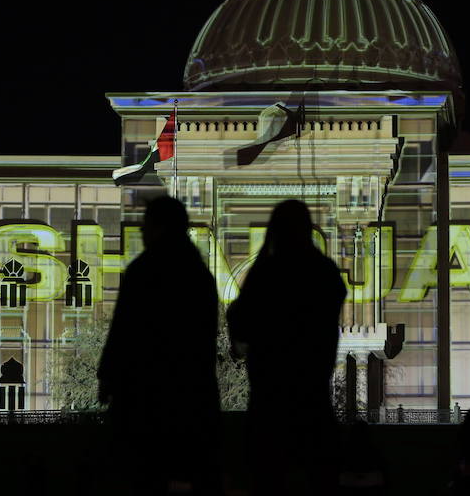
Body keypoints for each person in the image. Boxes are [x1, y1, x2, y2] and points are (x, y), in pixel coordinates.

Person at [98, 196, 221, 495]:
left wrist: (108, 377)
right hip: (192, 394)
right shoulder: (200, 275)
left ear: (157, 226)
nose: (141, 231)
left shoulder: (144, 270)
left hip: (146, 398)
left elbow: (124, 331)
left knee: (147, 476)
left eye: (146, 224)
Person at [227, 199, 347, 496]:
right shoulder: (323, 272)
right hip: (312, 399)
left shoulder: (267, 272)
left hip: (271, 403)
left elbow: (240, 322)